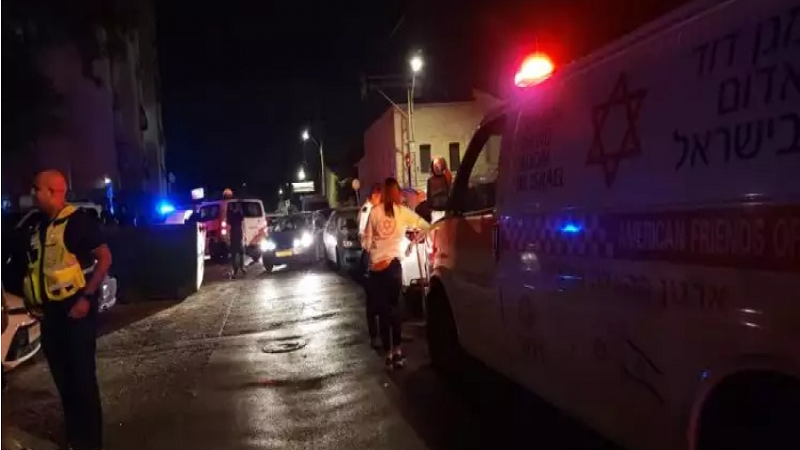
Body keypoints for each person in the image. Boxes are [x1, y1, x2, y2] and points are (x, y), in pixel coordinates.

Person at [19, 170, 112, 450]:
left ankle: (91, 443)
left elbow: (104, 259)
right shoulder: (40, 225)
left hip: (76, 316)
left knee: (82, 382)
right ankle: (75, 438)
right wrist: (33, 303)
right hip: (51, 317)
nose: (33, 194)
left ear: (52, 191)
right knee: (64, 383)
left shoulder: (77, 222)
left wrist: (86, 298)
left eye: (36, 188)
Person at [362, 177, 429, 370]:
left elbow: (366, 243)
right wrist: (414, 239)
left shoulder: (374, 212)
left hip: (377, 268)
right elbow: (425, 225)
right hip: (393, 267)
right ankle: (398, 352)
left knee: (383, 312)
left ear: (383, 192)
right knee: (395, 310)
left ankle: (388, 355)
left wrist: (375, 245)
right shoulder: (402, 212)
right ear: (397, 193)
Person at [357, 184, 382, 347]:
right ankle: (374, 336)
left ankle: (384, 332)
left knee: (382, 297)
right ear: (374, 196)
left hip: (378, 254)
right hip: (370, 256)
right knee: (373, 299)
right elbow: (363, 235)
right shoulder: (367, 210)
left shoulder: (375, 209)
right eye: (380, 197)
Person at [227, 203, 246, 278]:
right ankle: (240, 268)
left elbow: (229, 221)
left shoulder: (232, 214)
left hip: (235, 236)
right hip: (237, 235)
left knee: (236, 253)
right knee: (239, 252)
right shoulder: (237, 214)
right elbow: (242, 218)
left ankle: (237, 269)